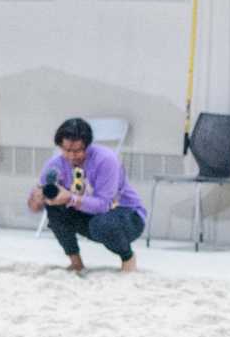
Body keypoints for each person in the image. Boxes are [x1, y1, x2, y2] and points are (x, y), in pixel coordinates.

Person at [27, 117, 144, 273]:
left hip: (127, 216)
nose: (71, 156)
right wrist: (37, 200)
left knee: (101, 224)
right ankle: (76, 263)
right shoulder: (55, 165)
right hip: (91, 217)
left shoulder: (106, 160)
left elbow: (103, 205)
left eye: (77, 150)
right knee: (54, 210)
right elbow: (35, 204)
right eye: (66, 150)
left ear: (87, 146)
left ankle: (128, 257)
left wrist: (70, 197)